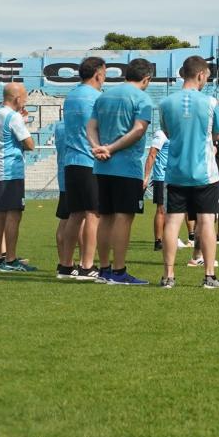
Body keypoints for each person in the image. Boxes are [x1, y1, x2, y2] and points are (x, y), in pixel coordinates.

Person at [158, 55, 219, 289]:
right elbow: (217, 134)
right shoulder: (210, 103)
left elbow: (167, 132)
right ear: (200, 75)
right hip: (205, 173)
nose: (206, 80)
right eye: (206, 76)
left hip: (176, 172)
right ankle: (208, 276)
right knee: (207, 221)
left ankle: (168, 277)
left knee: (172, 222)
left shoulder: (165, 103)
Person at [87, 58, 154, 285]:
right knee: (123, 218)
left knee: (104, 217)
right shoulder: (143, 98)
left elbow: (91, 126)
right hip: (126, 168)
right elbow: (138, 131)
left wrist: (97, 147)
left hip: (102, 167)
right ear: (146, 79)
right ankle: (118, 272)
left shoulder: (104, 96)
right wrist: (111, 148)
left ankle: (104, 270)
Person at [57, 56, 104, 281]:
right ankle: (87, 266)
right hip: (89, 161)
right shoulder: (97, 98)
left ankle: (66, 266)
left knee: (74, 215)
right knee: (93, 215)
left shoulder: (71, 96)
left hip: (71, 161)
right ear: (98, 73)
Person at [0, 83, 36, 271]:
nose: (26, 100)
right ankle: (11, 260)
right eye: (24, 97)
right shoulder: (14, 117)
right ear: (17, 99)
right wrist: (22, 121)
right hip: (10, 172)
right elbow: (30, 144)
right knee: (14, 215)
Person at [53, 120, 86, 279]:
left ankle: (64, 262)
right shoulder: (78, 125)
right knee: (80, 220)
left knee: (65, 220)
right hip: (78, 174)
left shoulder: (59, 126)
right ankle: (82, 263)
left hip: (64, 178)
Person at [143, 128, 172, 250]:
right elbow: (152, 154)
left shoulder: (176, 132)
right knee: (161, 209)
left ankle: (167, 238)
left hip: (174, 177)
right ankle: (158, 241)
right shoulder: (160, 135)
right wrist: (146, 177)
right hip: (162, 177)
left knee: (171, 211)